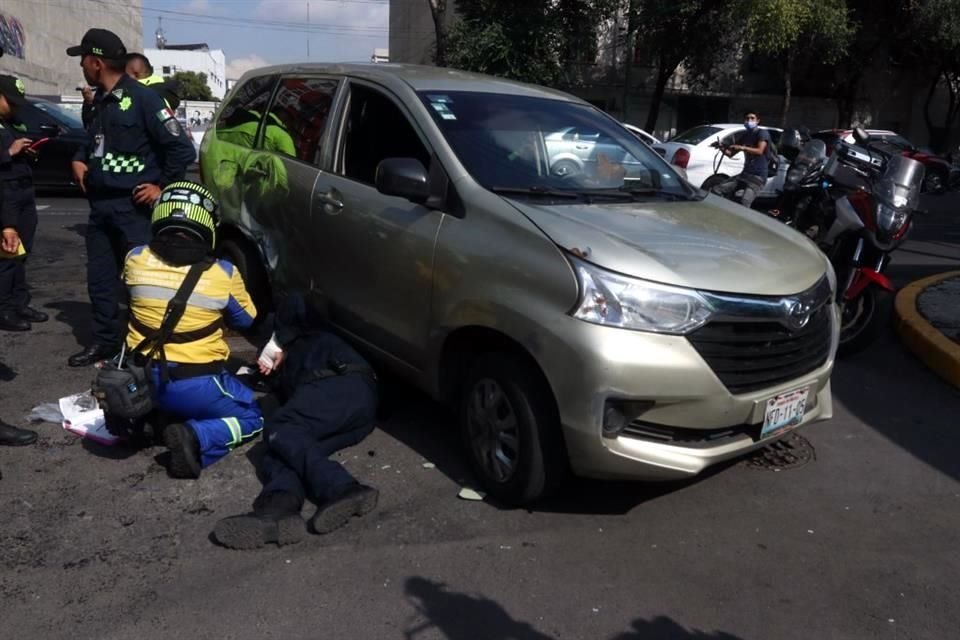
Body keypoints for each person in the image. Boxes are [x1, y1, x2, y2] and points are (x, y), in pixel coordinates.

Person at [65, 28, 196, 368]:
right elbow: (94, 140)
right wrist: (79, 157)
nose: (81, 66)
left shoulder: (144, 99)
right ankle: (107, 343)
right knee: (101, 282)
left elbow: (181, 148)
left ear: (95, 63)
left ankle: (147, 348)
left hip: (134, 209)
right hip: (100, 207)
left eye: (83, 59)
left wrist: (161, 186)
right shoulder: (100, 102)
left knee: (142, 283)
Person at [213, 293, 378, 550]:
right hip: (358, 411)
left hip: (341, 387)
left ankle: (341, 487)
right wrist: (267, 373)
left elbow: (295, 303)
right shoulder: (296, 362)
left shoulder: (311, 339)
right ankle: (278, 508)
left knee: (281, 428)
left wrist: (281, 342)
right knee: (285, 448)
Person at [123, 180, 262, 477]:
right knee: (252, 416)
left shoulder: (134, 258)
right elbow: (246, 320)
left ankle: (153, 420)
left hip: (141, 376)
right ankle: (196, 437)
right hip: (193, 383)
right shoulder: (223, 273)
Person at [0, 74, 48, 332]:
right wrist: (9, 152)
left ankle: (20, 303)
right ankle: (4, 309)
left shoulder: (11, 123)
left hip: (23, 194)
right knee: (7, 257)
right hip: (5, 197)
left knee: (22, 255)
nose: (15, 107)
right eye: (11, 102)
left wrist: (26, 152)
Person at [710, 110, 773, 209]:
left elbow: (760, 151)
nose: (749, 121)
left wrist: (742, 147)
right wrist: (720, 147)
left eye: (752, 118)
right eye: (747, 118)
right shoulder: (745, 136)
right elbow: (730, 154)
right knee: (717, 189)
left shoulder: (762, 133)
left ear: (758, 121)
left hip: (758, 177)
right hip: (745, 174)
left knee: (744, 201)